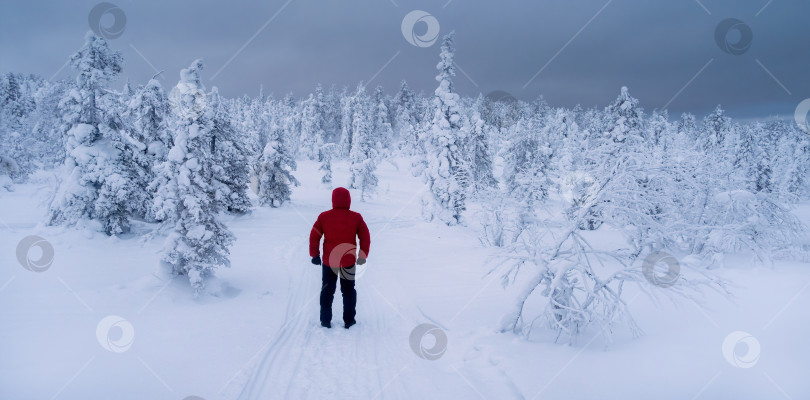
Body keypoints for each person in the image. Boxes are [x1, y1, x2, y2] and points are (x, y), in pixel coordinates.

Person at [309, 187, 370, 329]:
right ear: (348, 200)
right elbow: (365, 238)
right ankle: (349, 321)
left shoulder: (324, 216)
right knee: (348, 292)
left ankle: (325, 321)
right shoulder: (356, 217)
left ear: (333, 200)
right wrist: (362, 256)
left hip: (329, 262)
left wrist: (315, 255)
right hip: (348, 262)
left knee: (327, 291)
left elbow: (314, 235)